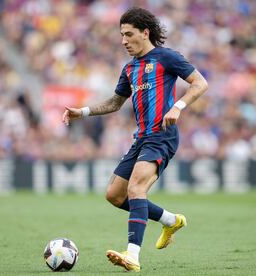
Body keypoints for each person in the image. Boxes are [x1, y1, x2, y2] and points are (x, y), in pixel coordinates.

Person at [62, 7, 208, 272]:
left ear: (145, 32)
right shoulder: (129, 69)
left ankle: (132, 255)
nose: (123, 41)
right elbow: (115, 103)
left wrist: (178, 107)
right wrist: (82, 112)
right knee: (115, 196)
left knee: (136, 189)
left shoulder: (166, 57)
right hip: (141, 138)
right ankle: (170, 220)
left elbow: (200, 83)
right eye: (121, 35)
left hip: (161, 136)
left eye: (128, 35)